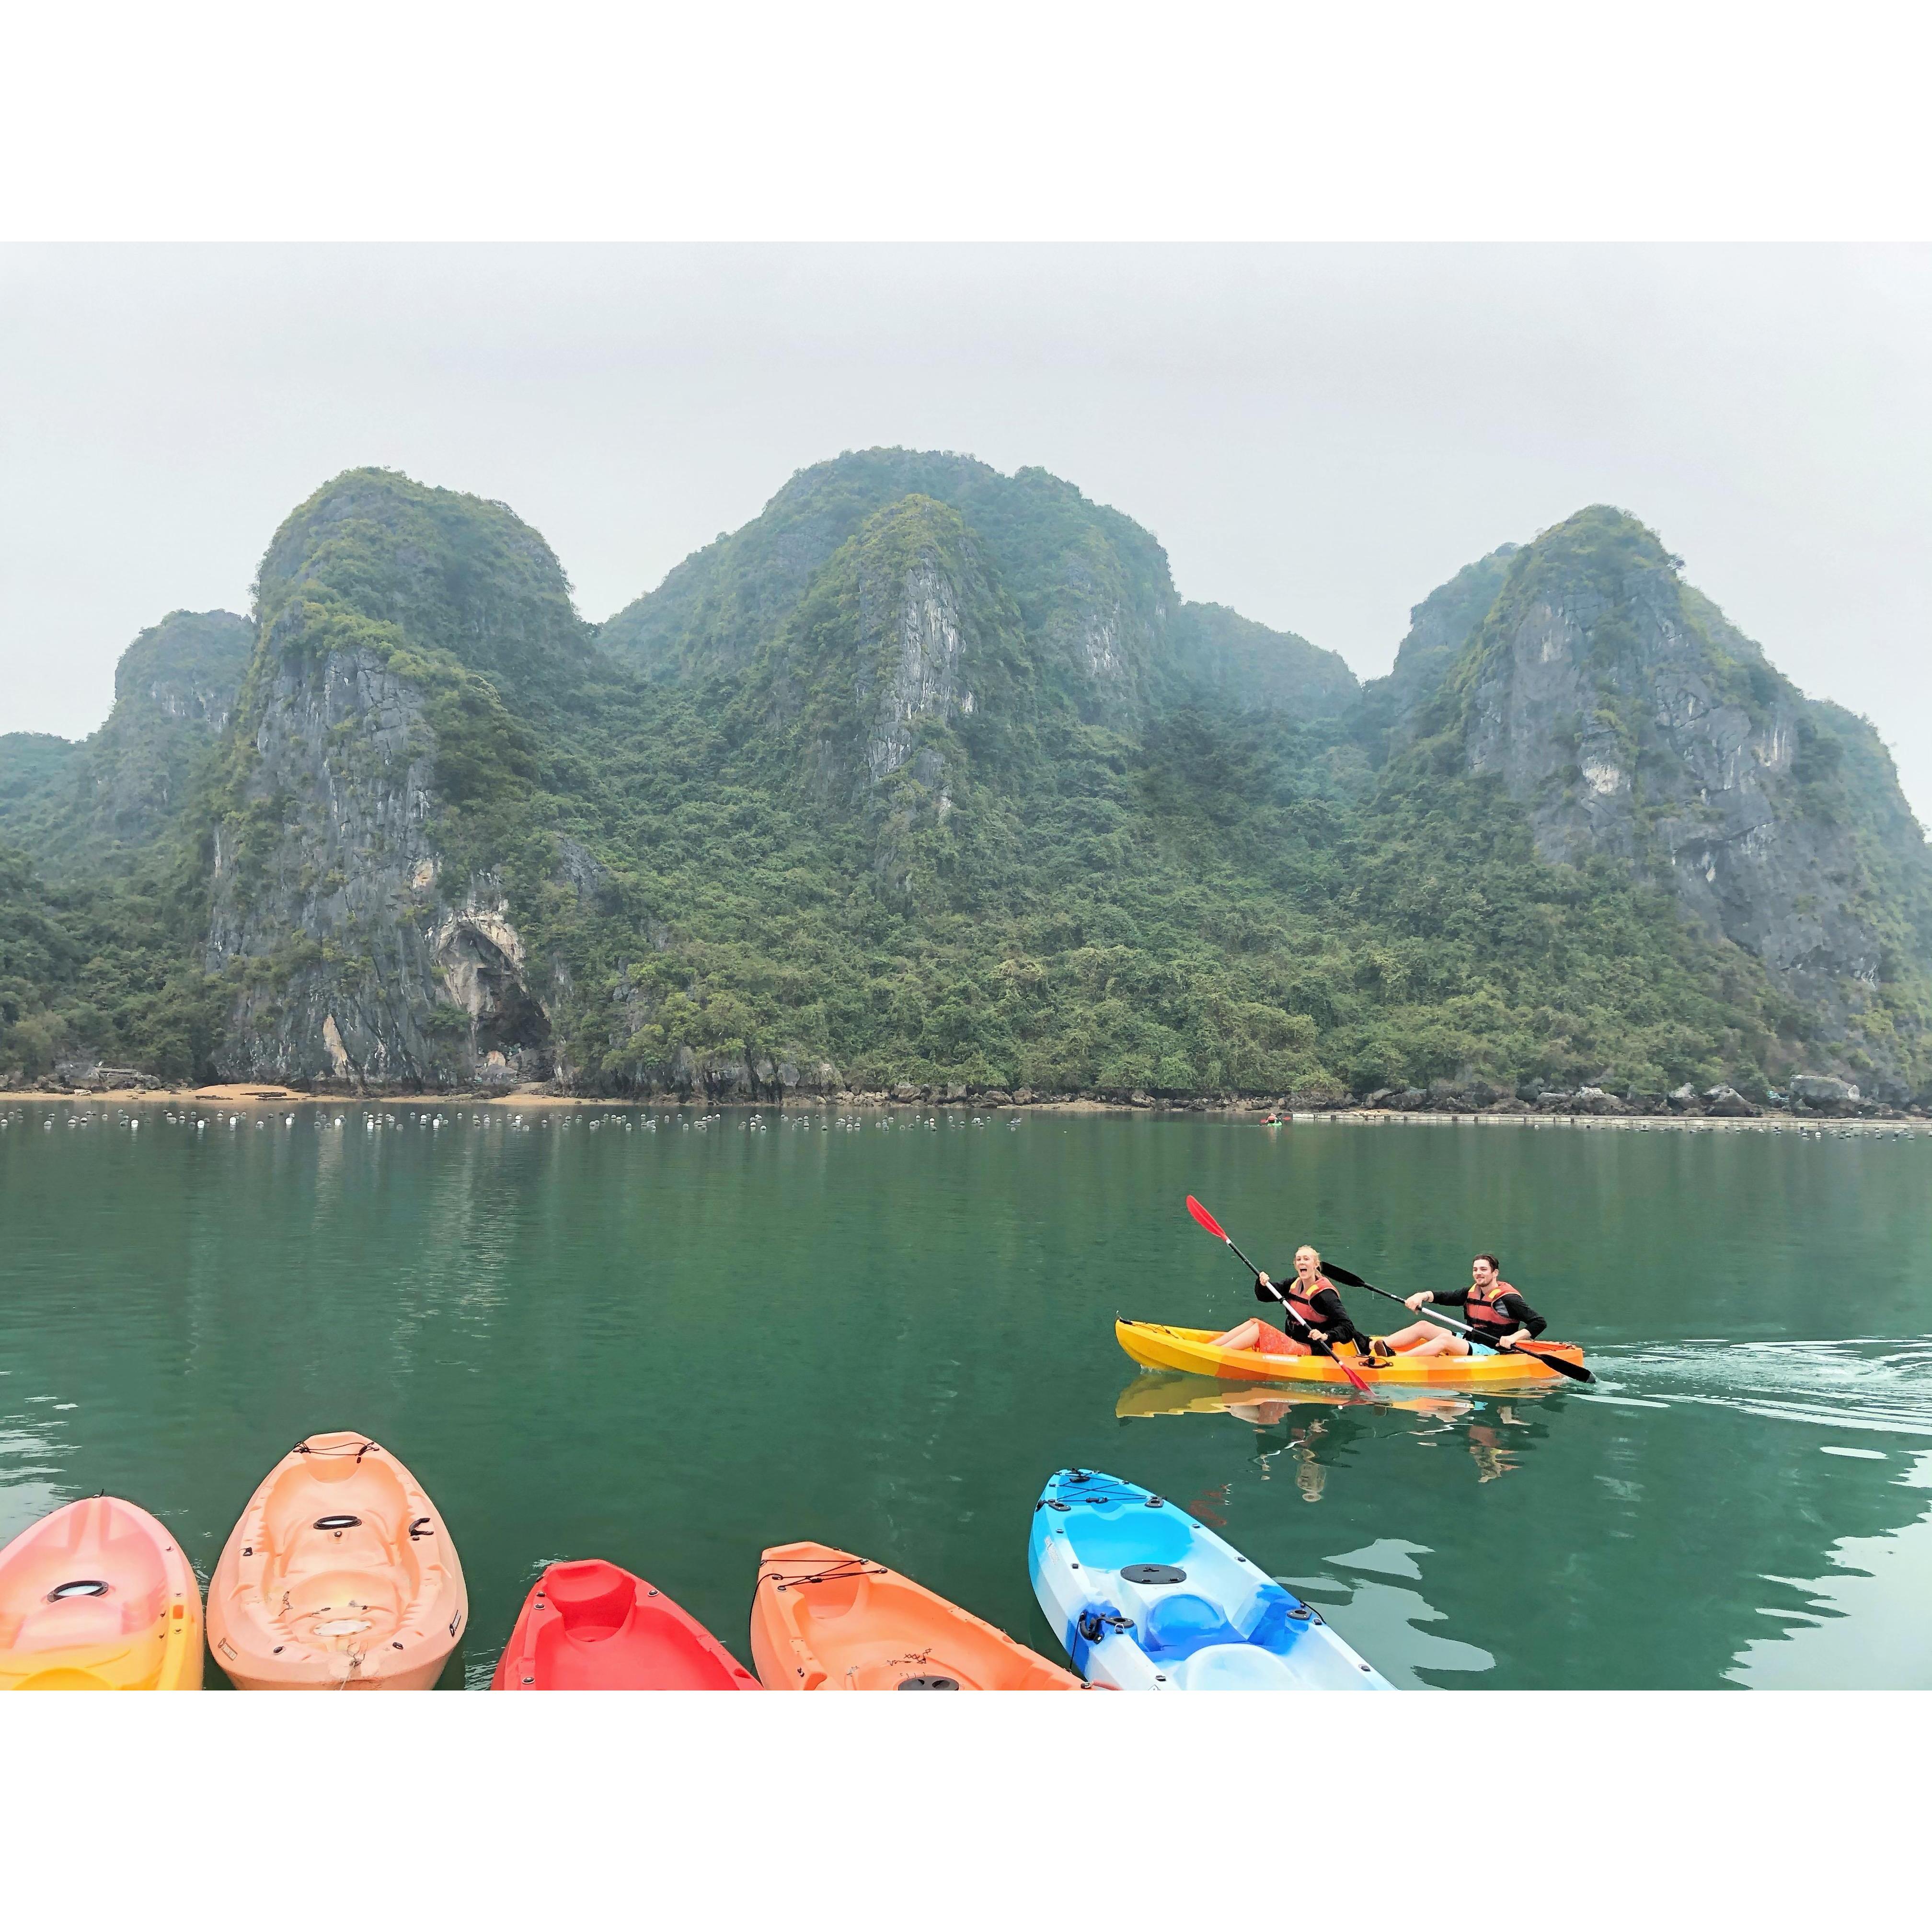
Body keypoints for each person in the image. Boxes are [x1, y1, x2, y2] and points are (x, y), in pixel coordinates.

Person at [1211, 1244, 1371, 1359]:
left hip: (1313, 1350)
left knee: (1260, 1329)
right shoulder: (1293, 1284)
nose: (1302, 1262)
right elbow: (1265, 1296)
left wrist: (1325, 1336)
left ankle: (1216, 1355)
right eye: (1299, 1259)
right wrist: (1262, 1283)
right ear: (1296, 1265)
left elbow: (1347, 1327)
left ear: (1316, 1265)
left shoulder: (1326, 1295)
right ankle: (1211, 1349)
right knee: (1253, 1323)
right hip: (1294, 1342)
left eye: (1306, 1259)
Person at [1373, 1254, 1547, 1359]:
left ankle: (1396, 1360)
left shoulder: (1508, 1299)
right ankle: (1371, 1347)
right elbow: (1444, 1297)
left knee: (1445, 1340)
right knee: (1423, 1326)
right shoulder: (1471, 1292)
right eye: (1475, 1269)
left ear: (1495, 1273)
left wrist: (1514, 1338)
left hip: (1492, 1350)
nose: (1478, 1273)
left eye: (1484, 1270)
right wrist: (1422, 1296)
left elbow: (1538, 1322)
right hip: (1470, 1341)